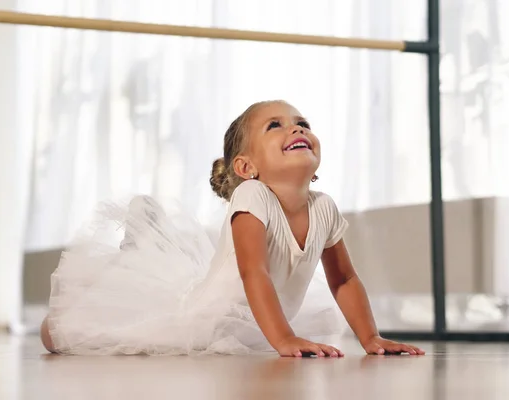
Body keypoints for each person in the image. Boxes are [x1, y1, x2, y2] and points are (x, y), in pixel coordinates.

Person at [40, 100, 425, 357]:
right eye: (276, 125)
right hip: (203, 318)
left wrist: (369, 337)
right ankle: (127, 259)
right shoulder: (253, 196)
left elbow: (343, 280)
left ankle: (138, 250)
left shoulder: (323, 207)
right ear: (245, 168)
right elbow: (252, 271)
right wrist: (285, 338)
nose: (296, 129)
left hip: (261, 324)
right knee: (61, 335)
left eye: (302, 123)